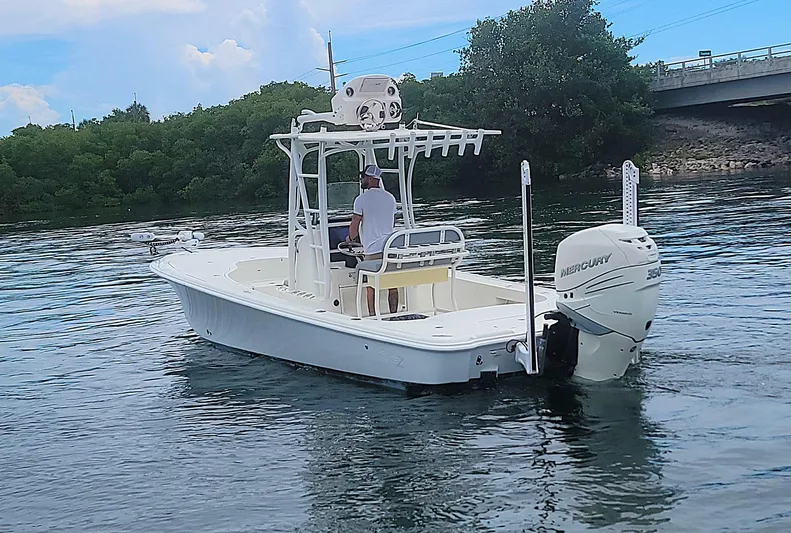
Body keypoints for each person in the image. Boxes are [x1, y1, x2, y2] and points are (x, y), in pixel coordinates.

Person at [347, 164, 398, 316]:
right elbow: (392, 222)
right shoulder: (390, 198)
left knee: (371, 286)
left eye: (363, 177)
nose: (361, 179)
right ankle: (393, 315)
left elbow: (355, 222)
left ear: (370, 179)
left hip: (373, 249)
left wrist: (350, 239)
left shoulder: (361, 199)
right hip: (390, 248)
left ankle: (373, 317)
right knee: (392, 285)